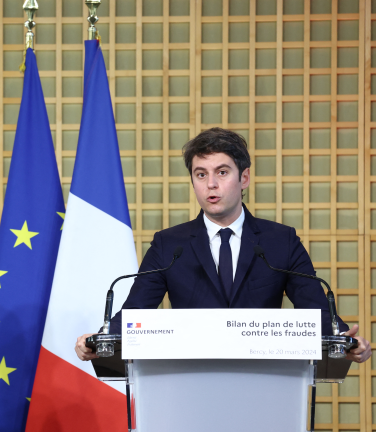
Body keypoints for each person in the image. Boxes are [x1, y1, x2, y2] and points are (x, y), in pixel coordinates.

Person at [76, 128, 371, 363]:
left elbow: (315, 308)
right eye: (201, 174)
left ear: (244, 178)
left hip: (266, 380)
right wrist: (101, 339)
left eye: (222, 172)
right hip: (190, 379)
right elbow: (135, 312)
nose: (211, 184)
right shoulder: (169, 245)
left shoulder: (280, 241)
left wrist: (344, 340)